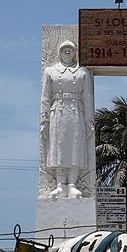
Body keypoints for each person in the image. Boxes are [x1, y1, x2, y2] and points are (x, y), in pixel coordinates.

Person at [40, 40, 94, 199]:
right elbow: (45, 97)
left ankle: (72, 184)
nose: (67, 53)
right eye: (64, 50)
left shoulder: (81, 72)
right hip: (58, 112)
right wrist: (44, 120)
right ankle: (59, 185)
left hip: (76, 111)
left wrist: (89, 120)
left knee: (75, 147)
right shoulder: (51, 71)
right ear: (59, 52)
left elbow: (87, 98)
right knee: (59, 148)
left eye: (70, 50)